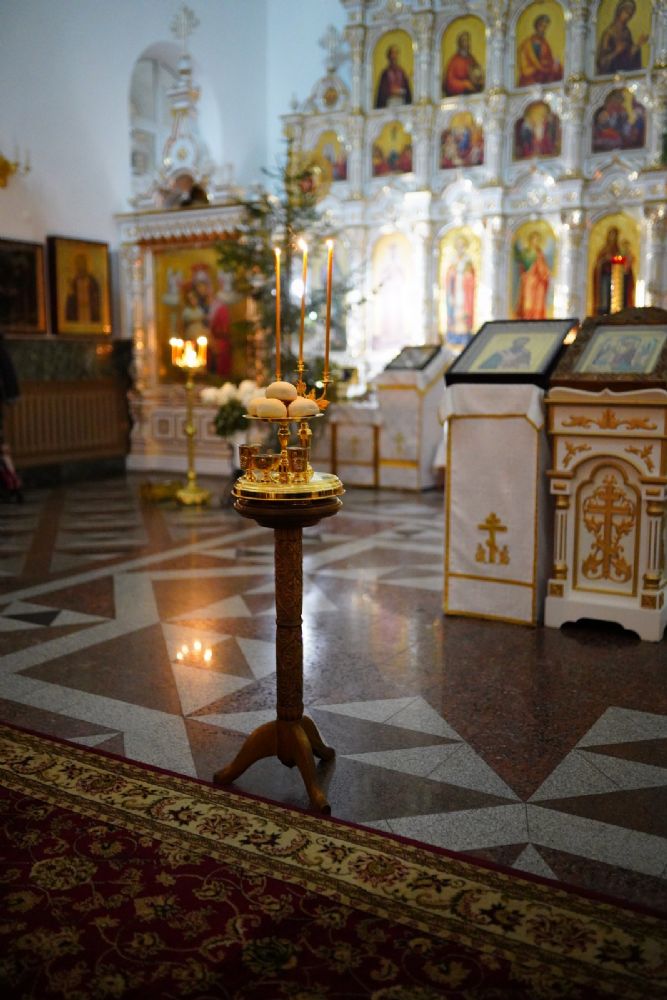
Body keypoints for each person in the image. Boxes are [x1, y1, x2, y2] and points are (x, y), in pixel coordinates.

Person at [596, 0, 648, 75]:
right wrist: (616, 52)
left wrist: (637, 45)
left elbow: (628, 57)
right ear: (619, 11)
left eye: (630, 14)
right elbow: (602, 62)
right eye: (626, 12)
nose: (628, 16)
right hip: (611, 75)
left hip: (625, 73)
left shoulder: (626, 32)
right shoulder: (608, 34)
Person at [444, 236, 476, 345]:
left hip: (465, 292)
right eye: (458, 245)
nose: (460, 248)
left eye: (462, 246)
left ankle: (466, 333)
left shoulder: (468, 260)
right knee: (455, 311)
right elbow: (449, 277)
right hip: (455, 290)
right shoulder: (453, 260)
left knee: (464, 310)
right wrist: (454, 274)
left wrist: (466, 275)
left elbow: (471, 276)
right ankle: (453, 334)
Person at [517, 14, 563, 86]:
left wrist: (554, 64)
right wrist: (541, 67)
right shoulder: (527, 44)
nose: (543, 29)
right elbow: (525, 66)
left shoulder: (544, 43)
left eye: (545, 27)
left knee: (559, 69)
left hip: (543, 74)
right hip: (531, 76)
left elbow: (548, 59)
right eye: (542, 26)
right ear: (537, 26)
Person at [514, 231, 551, 320]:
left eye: (537, 240)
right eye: (534, 239)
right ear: (530, 240)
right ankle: (526, 317)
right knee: (527, 301)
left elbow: (543, 267)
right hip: (528, 281)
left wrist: (546, 274)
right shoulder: (525, 252)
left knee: (537, 301)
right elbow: (521, 264)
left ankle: (537, 317)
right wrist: (524, 273)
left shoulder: (539, 253)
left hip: (538, 283)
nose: (535, 242)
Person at [442, 31, 484, 96]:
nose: (467, 43)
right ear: (460, 43)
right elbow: (449, 82)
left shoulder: (471, 59)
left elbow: (477, 73)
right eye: (464, 40)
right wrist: (464, 85)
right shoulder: (454, 61)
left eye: (468, 40)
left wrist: (479, 80)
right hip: (457, 97)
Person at [65, 254, 101, 323]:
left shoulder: (93, 281)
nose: (80, 267)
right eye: (78, 264)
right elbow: (70, 303)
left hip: (90, 314)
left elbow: (97, 299)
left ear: (86, 265)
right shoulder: (73, 282)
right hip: (78, 314)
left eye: (82, 264)